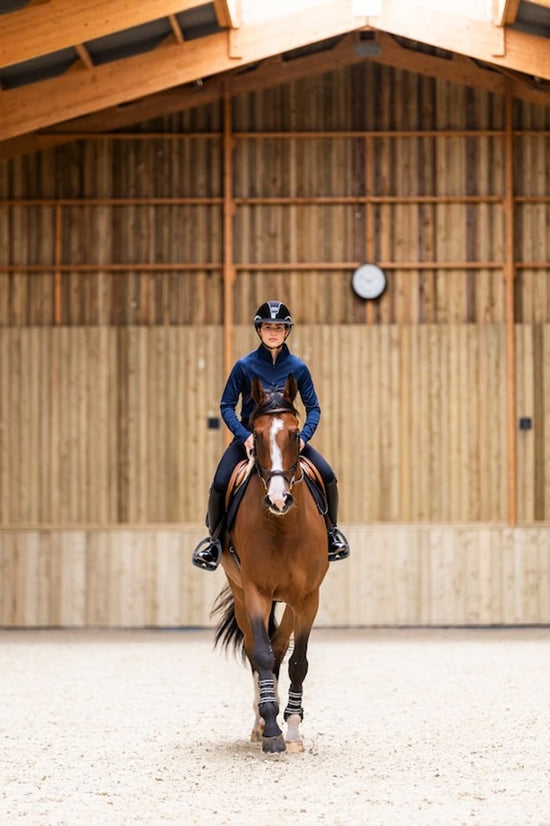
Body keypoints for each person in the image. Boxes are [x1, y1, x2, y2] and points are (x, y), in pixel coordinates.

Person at [192, 300, 350, 571]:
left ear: (286, 331)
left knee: (327, 475)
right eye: (268, 327)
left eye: (278, 328)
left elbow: (313, 408)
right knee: (220, 483)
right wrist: (244, 436)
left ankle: (332, 533)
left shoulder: (298, 368)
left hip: (288, 441)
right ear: (259, 330)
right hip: (251, 439)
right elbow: (227, 405)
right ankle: (214, 543)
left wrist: (303, 438)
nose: (273, 332)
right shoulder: (244, 366)